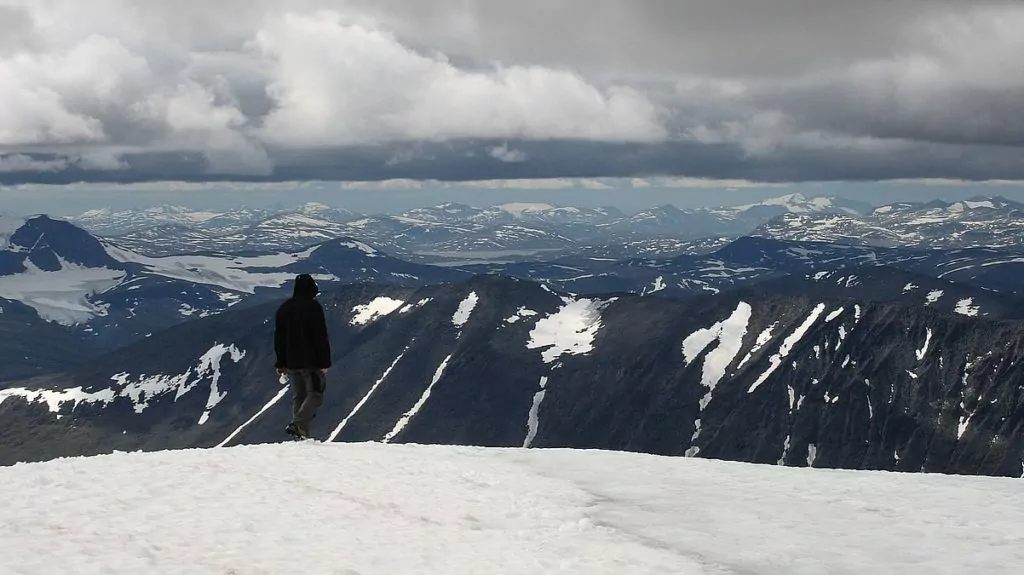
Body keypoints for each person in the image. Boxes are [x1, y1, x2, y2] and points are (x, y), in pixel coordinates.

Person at [274, 274, 332, 440]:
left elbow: (278, 338)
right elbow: (320, 336)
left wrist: (281, 363)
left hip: (291, 361)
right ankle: (298, 424)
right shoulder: (313, 307)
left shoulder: (284, 308)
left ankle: (300, 434)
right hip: (311, 360)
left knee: (299, 395)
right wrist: (324, 361)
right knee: (315, 393)